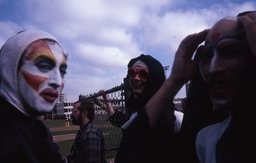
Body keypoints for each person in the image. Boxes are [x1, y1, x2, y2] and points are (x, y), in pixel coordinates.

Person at [195, 12, 256, 163]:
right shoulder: (206, 139)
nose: (213, 69)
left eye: (230, 51)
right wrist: (175, 80)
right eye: (207, 56)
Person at [0, 29, 67, 162]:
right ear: (9, 69)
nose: (58, 82)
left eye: (62, 70)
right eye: (43, 65)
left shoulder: (38, 129)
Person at [108, 54, 178, 163]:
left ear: (153, 79)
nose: (136, 78)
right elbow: (123, 121)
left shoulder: (164, 116)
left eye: (143, 73)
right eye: (132, 73)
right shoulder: (135, 108)